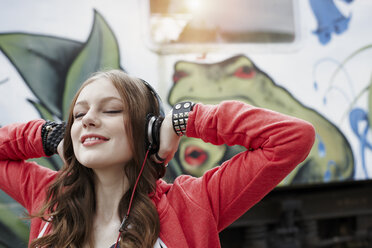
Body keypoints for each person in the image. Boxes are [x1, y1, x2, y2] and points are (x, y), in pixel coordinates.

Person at [0, 69, 315, 248]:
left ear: (148, 130)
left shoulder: (192, 203)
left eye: (110, 110)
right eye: (79, 114)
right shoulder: (48, 197)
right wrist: (47, 136)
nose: (88, 120)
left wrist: (185, 120)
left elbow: (292, 138)